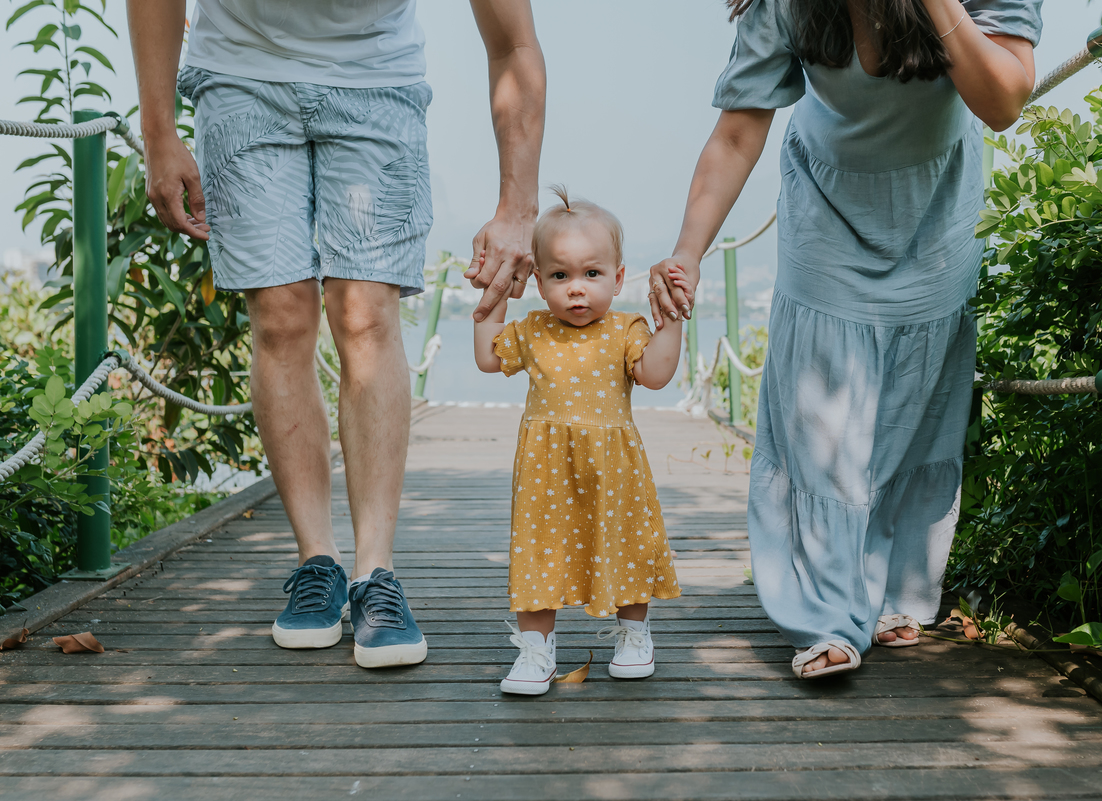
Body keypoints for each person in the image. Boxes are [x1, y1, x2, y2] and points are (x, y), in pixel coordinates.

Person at [127, 0, 546, 668]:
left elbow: (514, 44)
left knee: (366, 313)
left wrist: (518, 208)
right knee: (282, 315)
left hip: (375, 77)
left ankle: (374, 573)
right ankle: (315, 559)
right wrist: (159, 131)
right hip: (240, 72)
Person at [648, 0, 1042, 679]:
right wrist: (689, 250)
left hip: (936, 206)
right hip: (827, 204)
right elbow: (740, 130)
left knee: (911, 404)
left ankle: (881, 588)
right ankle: (826, 616)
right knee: (823, 416)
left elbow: (1004, 99)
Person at [473, 187, 688, 695]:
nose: (576, 289)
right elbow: (488, 356)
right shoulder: (533, 330)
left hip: (614, 469)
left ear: (616, 279)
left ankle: (635, 635)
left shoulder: (624, 328)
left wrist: (672, 321)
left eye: (591, 274)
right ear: (539, 282)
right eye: (560, 275)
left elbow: (655, 374)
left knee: (627, 544)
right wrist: (496, 290)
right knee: (538, 552)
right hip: (546, 472)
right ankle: (535, 650)